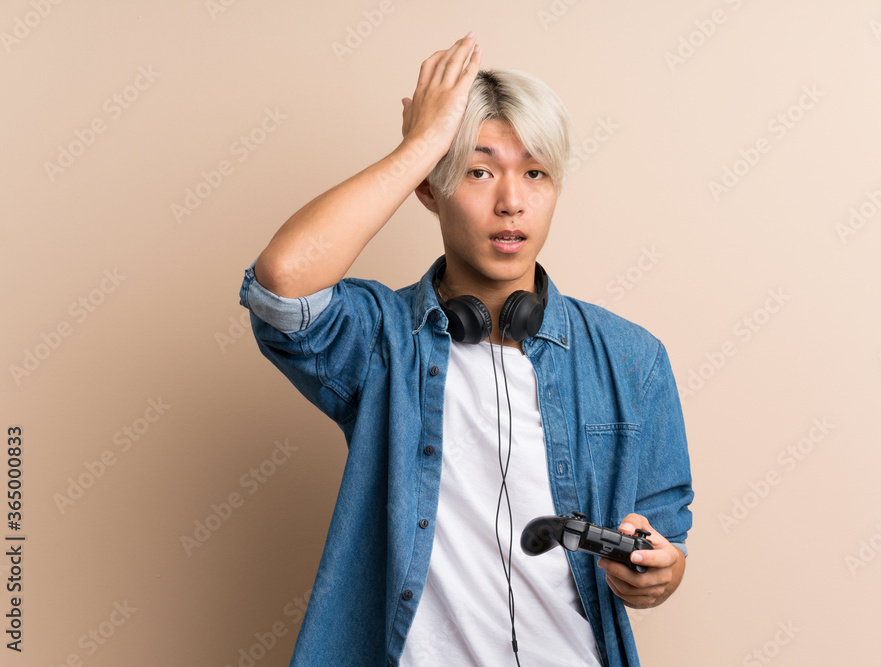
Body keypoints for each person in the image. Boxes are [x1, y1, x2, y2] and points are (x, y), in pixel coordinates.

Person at [238, 31, 693, 667]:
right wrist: (421, 145)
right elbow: (282, 284)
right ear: (431, 189)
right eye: (478, 172)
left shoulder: (631, 357)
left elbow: (665, 534)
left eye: (535, 173)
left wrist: (658, 570)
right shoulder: (382, 339)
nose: (512, 201)